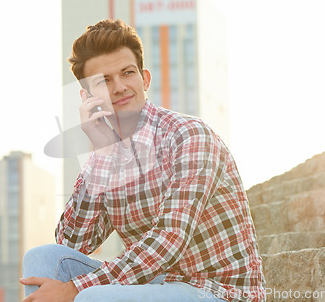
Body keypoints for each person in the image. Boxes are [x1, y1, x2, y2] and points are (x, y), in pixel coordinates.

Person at [20, 19, 265, 302]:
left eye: (127, 73)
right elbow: (72, 242)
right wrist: (101, 157)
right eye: (104, 81)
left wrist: (75, 289)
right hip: (155, 284)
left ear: (145, 79)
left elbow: (169, 239)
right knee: (42, 259)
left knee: (91, 298)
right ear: (87, 96)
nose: (120, 87)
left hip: (217, 291)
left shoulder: (188, 135)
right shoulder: (108, 153)